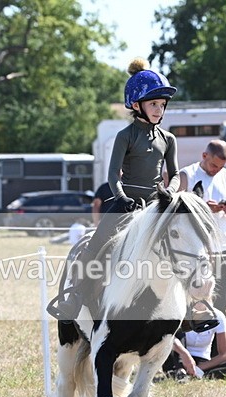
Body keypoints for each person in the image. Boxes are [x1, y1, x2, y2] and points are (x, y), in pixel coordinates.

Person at [47, 57, 180, 322]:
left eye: (162, 105)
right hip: (126, 202)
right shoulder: (125, 135)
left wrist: (169, 192)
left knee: (185, 244)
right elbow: (112, 175)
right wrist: (122, 198)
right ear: (136, 104)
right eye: (153, 104)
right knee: (96, 243)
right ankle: (76, 295)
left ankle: (196, 305)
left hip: (156, 203)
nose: (159, 109)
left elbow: (175, 174)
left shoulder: (169, 139)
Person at [178, 139, 226, 316]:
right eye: (213, 165)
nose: (216, 170)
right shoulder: (187, 175)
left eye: (221, 167)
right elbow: (176, 213)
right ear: (204, 155)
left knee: (222, 301)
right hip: (195, 250)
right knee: (193, 301)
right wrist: (203, 208)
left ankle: (218, 343)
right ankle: (193, 342)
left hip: (222, 247)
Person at [163, 301, 226, 379]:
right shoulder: (179, 311)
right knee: (176, 335)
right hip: (179, 358)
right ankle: (179, 371)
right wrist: (184, 354)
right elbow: (167, 337)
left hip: (202, 362)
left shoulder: (217, 315)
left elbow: (224, 355)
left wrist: (196, 368)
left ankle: (194, 374)